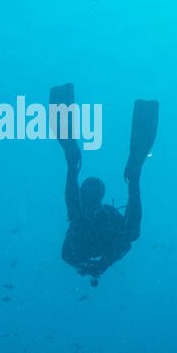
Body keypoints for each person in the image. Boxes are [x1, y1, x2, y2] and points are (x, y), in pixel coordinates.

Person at [53, 83, 159, 286]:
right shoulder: (101, 214)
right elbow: (127, 241)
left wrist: (94, 265)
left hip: (90, 237)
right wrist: (99, 264)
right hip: (93, 238)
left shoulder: (100, 215)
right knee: (125, 231)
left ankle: (72, 162)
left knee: (78, 217)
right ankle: (132, 180)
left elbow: (66, 254)